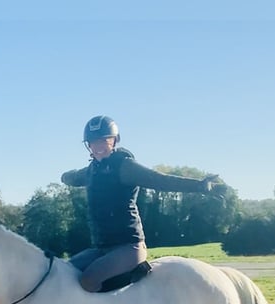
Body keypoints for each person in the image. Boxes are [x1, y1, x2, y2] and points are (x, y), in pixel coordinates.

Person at [61, 114, 224, 293]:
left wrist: (200, 186)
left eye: (104, 140)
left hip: (129, 248)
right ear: (88, 145)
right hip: (101, 248)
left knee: (88, 280)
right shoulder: (92, 171)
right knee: (63, 272)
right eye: (93, 142)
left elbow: (160, 180)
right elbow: (73, 177)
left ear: (114, 141)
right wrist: (64, 177)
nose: (98, 146)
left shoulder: (125, 167)